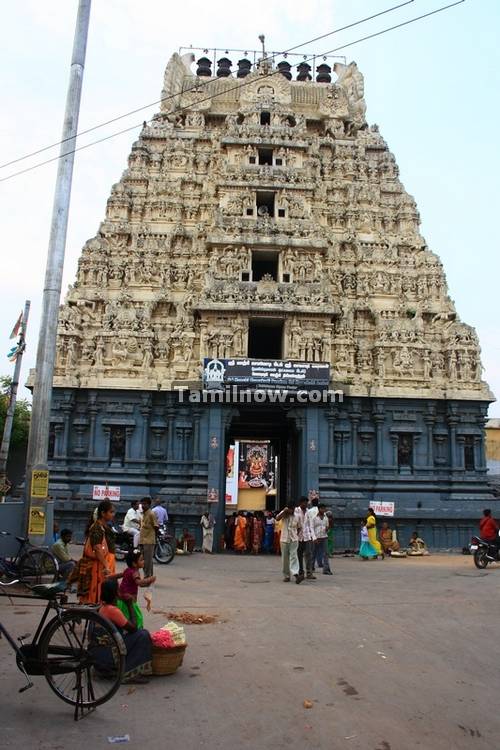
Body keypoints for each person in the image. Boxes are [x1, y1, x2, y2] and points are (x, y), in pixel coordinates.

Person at [98, 578, 153, 684]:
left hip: (102, 651)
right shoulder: (112, 610)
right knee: (143, 635)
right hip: (109, 653)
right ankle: (128, 674)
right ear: (115, 593)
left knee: (132, 635)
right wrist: (129, 604)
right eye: (118, 590)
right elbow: (134, 628)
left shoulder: (102, 607)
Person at [76, 499, 116, 604]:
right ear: (103, 513)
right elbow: (97, 549)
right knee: (95, 596)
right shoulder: (97, 528)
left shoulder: (102, 527)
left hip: (100, 565)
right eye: (111, 512)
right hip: (96, 567)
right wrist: (106, 565)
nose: (113, 514)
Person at [118, 549, 156, 627]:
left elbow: (120, 575)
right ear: (134, 564)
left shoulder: (128, 570)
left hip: (122, 600)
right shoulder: (135, 572)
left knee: (124, 619)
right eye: (141, 560)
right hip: (129, 601)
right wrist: (151, 579)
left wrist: (109, 576)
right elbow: (139, 583)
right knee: (137, 620)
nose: (144, 561)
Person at [276, 501, 302, 583]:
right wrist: (284, 511)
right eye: (290, 509)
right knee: (285, 558)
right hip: (284, 539)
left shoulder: (297, 516)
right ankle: (286, 576)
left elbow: (299, 527)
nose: (291, 510)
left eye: (293, 509)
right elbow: (277, 518)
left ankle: (296, 574)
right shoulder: (284, 514)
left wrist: (296, 535)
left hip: (293, 539)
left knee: (294, 556)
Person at [295, 496, 316, 580]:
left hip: (307, 536)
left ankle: (309, 573)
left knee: (308, 554)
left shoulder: (308, 512)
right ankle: (300, 572)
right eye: (304, 502)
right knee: (298, 555)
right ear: (300, 503)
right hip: (298, 536)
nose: (306, 504)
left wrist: (313, 536)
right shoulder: (296, 510)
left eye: (307, 503)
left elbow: (311, 525)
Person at [139, 496, 158, 578]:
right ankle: (148, 576)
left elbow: (156, 526)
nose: (143, 505)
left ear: (149, 505)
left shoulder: (151, 514)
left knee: (148, 560)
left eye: (145, 504)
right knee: (143, 560)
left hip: (149, 541)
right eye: (142, 504)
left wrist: (153, 536)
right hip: (143, 540)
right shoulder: (144, 514)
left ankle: (148, 577)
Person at [313, 504, 332, 575]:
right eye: (322, 509)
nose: (323, 510)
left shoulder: (326, 518)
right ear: (319, 509)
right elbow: (312, 527)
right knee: (314, 552)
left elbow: (327, 526)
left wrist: (327, 529)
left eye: (324, 509)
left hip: (324, 536)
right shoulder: (314, 517)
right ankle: (311, 567)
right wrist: (314, 537)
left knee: (326, 553)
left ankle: (326, 569)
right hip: (316, 537)